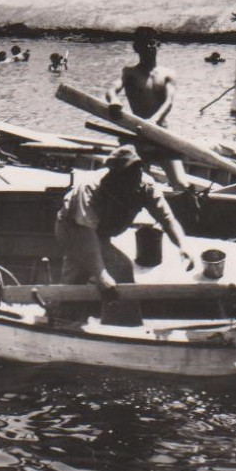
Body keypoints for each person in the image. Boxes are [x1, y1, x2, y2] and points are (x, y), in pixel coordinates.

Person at [53, 145, 194, 325]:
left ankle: (69, 315)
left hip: (100, 233)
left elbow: (167, 219)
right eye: (128, 173)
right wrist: (101, 273)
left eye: (138, 169)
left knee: (81, 270)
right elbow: (85, 233)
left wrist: (183, 245)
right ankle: (119, 325)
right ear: (114, 175)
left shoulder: (145, 185)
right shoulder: (91, 187)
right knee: (118, 267)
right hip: (72, 230)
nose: (135, 176)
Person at [106, 26, 189, 190]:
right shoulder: (129, 72)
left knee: (181, 184)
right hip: (137, 134)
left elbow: (168, 101)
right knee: (131, 183)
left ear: (158, 45)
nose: (149, 48)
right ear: (136, 48)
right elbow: (111, 90)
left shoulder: (168, 74)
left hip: (161, 134)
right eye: (144, 44)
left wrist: (154, 121)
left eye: (152, 43)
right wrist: (114, 101)